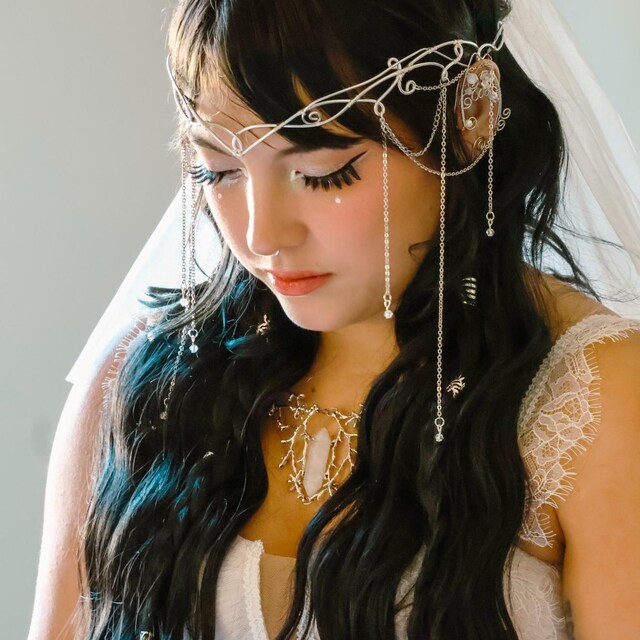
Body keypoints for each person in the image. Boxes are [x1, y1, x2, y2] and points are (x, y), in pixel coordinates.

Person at [28, 0, 640, 639]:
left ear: (470, 118)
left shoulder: (593, 397)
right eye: (220, 170)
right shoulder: (138, 385)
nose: (263, 235)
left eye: (320, 173)